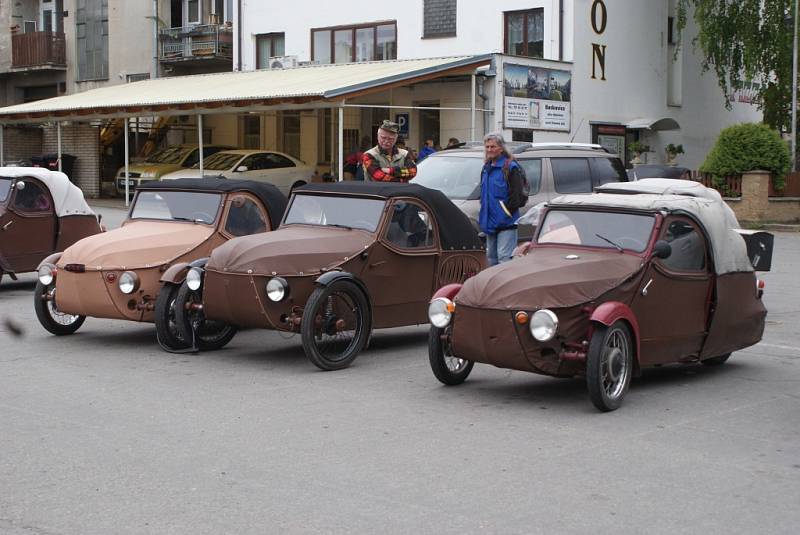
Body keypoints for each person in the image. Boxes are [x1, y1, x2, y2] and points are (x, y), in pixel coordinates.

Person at [478, 132, 526, 265]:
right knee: (491, 259)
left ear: (501, 148)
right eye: (487, 147)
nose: (489, 150)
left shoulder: (510, 167)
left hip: (506, 223)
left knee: (504, 259)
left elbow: (516, 196)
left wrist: (506, 212)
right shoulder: (486, 168)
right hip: (490, 223)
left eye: (493, 146)